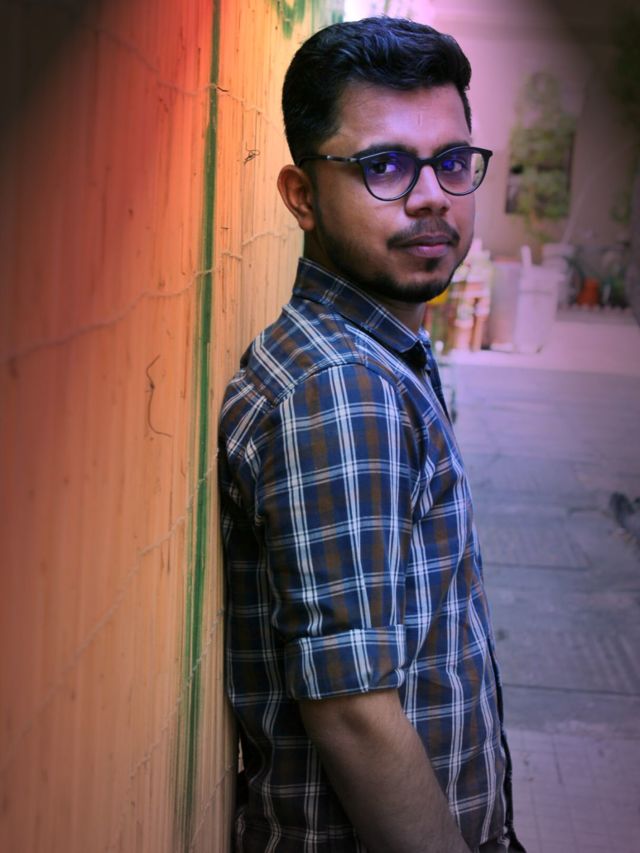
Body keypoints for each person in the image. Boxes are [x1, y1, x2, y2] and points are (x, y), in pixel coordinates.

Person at [218, 17, 525, 853]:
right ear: (301, 195)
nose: (431, 196)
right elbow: (353, 710)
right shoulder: (343, 389)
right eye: (383, 165)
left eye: (451, 161)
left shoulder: (379, 353)